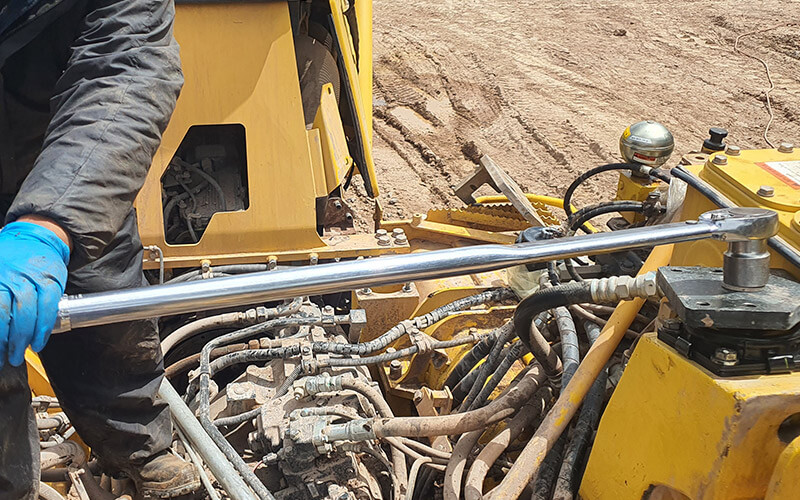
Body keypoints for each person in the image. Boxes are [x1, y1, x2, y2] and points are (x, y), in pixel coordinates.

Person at [0, 0, 200, 498]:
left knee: (103, 304)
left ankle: (137, 448)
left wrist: (51, 221)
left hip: (55, 165)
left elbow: (124, 72)